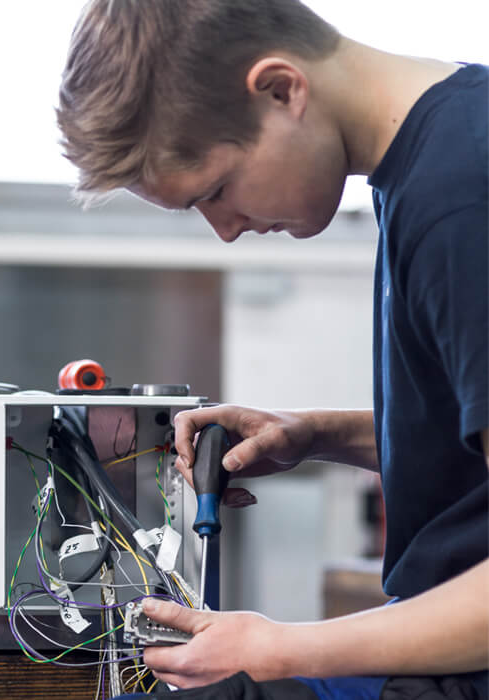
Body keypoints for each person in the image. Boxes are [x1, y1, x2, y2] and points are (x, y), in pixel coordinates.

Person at [56, 1, 488, 699]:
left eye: (217, 190)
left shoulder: (462, 196)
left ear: (282, 89)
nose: (224, 230)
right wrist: (317, 435)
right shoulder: (437, 159)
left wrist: (282, 646)